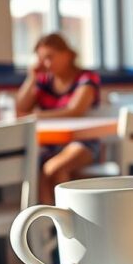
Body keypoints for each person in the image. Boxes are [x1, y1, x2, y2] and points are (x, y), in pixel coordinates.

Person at [16, 33, 101, 206]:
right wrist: (31, 77)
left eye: (50, 57)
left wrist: (37, 116)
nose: (46, 63)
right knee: (37, 167)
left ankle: (62, 225)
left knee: (53, 168)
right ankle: (52, 227)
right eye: (41, 59)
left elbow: (75, 110)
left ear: (67, 55)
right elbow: (21, 107)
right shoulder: (44, 81)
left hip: (84, 141)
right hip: (50, 143)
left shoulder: (86, 78)